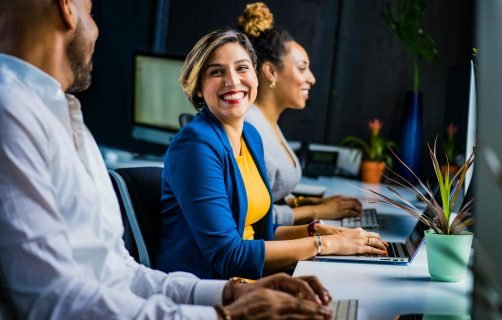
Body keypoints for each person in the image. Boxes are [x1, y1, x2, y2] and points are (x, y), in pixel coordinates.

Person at [0, 1, 334, 319]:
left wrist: (228, 296)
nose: (98, 29)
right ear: (67, 7)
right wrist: (223, 314)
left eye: (241, 68)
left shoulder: (63, 116)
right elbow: (53, 303)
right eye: (91, 11)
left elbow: (121, 273)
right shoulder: (11, 112)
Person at [157, 28, 387, 280]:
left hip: (247, 278)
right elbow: (228, 255)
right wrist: (326, 245)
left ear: (256, 76)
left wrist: (323, 233)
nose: (233, 81)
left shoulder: (251, 136)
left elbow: (261, 234)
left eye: (242, 68)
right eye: (217, 72)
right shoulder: (195, 146)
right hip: (205, 286)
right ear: (199, 88)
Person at [239, 2, 364, 226]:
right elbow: (252, 218)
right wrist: (318, 211)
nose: (312, 78)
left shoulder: (268, 122)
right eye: (302, 67)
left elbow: (272, 197)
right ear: (270, 71)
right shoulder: (250, 128)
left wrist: (311, 202)